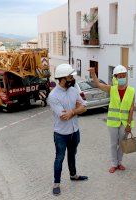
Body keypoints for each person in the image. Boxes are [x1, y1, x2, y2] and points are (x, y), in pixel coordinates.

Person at [47, 64, 88, 196]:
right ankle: (56, 183)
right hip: (61, 134)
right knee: (59, 158)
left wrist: (73, 111)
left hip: (74, 131)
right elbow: (64, 117)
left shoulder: (74, 90)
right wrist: (77, 110)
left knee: (72, 154)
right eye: (70, 76)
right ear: (63, 78)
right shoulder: (53, 96)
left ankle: (73, 175)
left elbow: (84, 107)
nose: (72, 78)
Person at [88, 65, 135, 173]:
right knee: (114, 143)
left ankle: (119, 162)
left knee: (122, 143)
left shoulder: (131, 90)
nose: (122, 77)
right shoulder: (112, 89)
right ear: (116, 77)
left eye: (124, 75)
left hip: (125, 122)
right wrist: (93, 74)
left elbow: (132, 108)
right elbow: (98, 84)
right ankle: (114, 163)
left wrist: (128, 124)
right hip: (113, 121)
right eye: (120, 76)